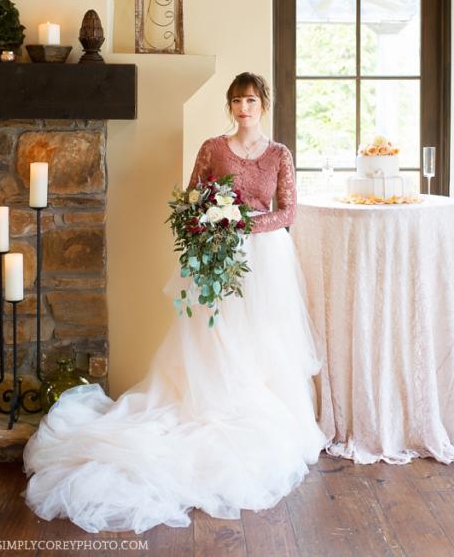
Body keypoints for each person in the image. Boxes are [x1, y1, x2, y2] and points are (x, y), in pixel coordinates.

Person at [23, 72, 326, 534]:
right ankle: (210, 401)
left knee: (262, 340)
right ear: (230, 106)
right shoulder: (212, 148)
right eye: (236, 101)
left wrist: (243, 225)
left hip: (265, 262)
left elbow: (288, 212)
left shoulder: (280, 154)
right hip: (216, 257)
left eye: (250, 100)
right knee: (214, 336)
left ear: (263, 103)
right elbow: (191, 200)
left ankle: (256, 413)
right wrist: (213, 222)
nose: (243, 108)